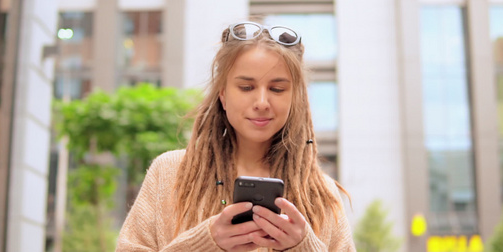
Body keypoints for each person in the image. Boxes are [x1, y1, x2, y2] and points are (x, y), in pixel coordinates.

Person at [116, 21, 356, 252]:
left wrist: (304, 247)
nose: (262, 102)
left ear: (296, 98)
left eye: (277, 89)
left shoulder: (321, 193)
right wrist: (205, 242)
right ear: (223, 94)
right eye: (246, 87)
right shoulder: (169, 173)